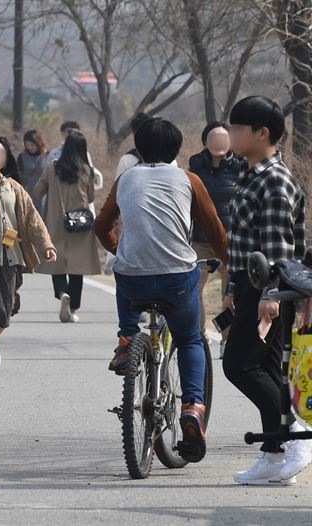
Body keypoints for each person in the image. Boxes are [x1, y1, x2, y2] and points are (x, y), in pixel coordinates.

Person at [95, 117, 228, 463]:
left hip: (132, 278)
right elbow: (214, 232)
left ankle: (126, 341)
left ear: (139, 148)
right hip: (177, 279)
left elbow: (101, 226)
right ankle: (193, 407)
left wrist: (119, 250)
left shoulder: (126, 178)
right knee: (189, 340)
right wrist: (231, 264)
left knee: (125, 271)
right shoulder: (189, 179)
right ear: (176, 149)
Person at [223, 96, 310, 486]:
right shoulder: (250, 171)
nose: (231, 134)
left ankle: (294, 437)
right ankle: (275, 454)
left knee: (241, 365)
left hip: (269, 286)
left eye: (239, 128)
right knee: (267, 368)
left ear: (263, 134)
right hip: (250, 282)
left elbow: (277, 247)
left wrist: (270, 295)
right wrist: (231, 287)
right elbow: (241, 238)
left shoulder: (274, 180)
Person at [0, 136, 56, 373]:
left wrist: (46, 245)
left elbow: (32, 219)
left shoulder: (13, 187)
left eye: (0, 154)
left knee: (7, 308)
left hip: (12, 254)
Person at [189, 122, 244, 359]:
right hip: (201, 239)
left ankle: (227, 340)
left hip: (230, 239)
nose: (219, 143)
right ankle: (198, 336)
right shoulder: (195, 165)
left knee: (229, 294)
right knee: (193, 290)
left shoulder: (241, 167)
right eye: (214, 138)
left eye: (224, 138)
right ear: (205, 142)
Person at [35, 131, 101, 322]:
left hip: (56, 222)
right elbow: (90, 198)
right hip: (79, 224)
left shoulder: (52, 167)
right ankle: (73, 309)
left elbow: (38, 191)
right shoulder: (87, 171)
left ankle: (62, 292)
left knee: (56, 264)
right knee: (76, 268)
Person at [17, 129, 48, 214]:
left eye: (32, 145)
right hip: (28, 196)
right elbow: (18, 178)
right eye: (27, 145)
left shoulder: (48, 156)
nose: (30, 147)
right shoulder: (22, 157)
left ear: (39, 143)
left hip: (44, 197)